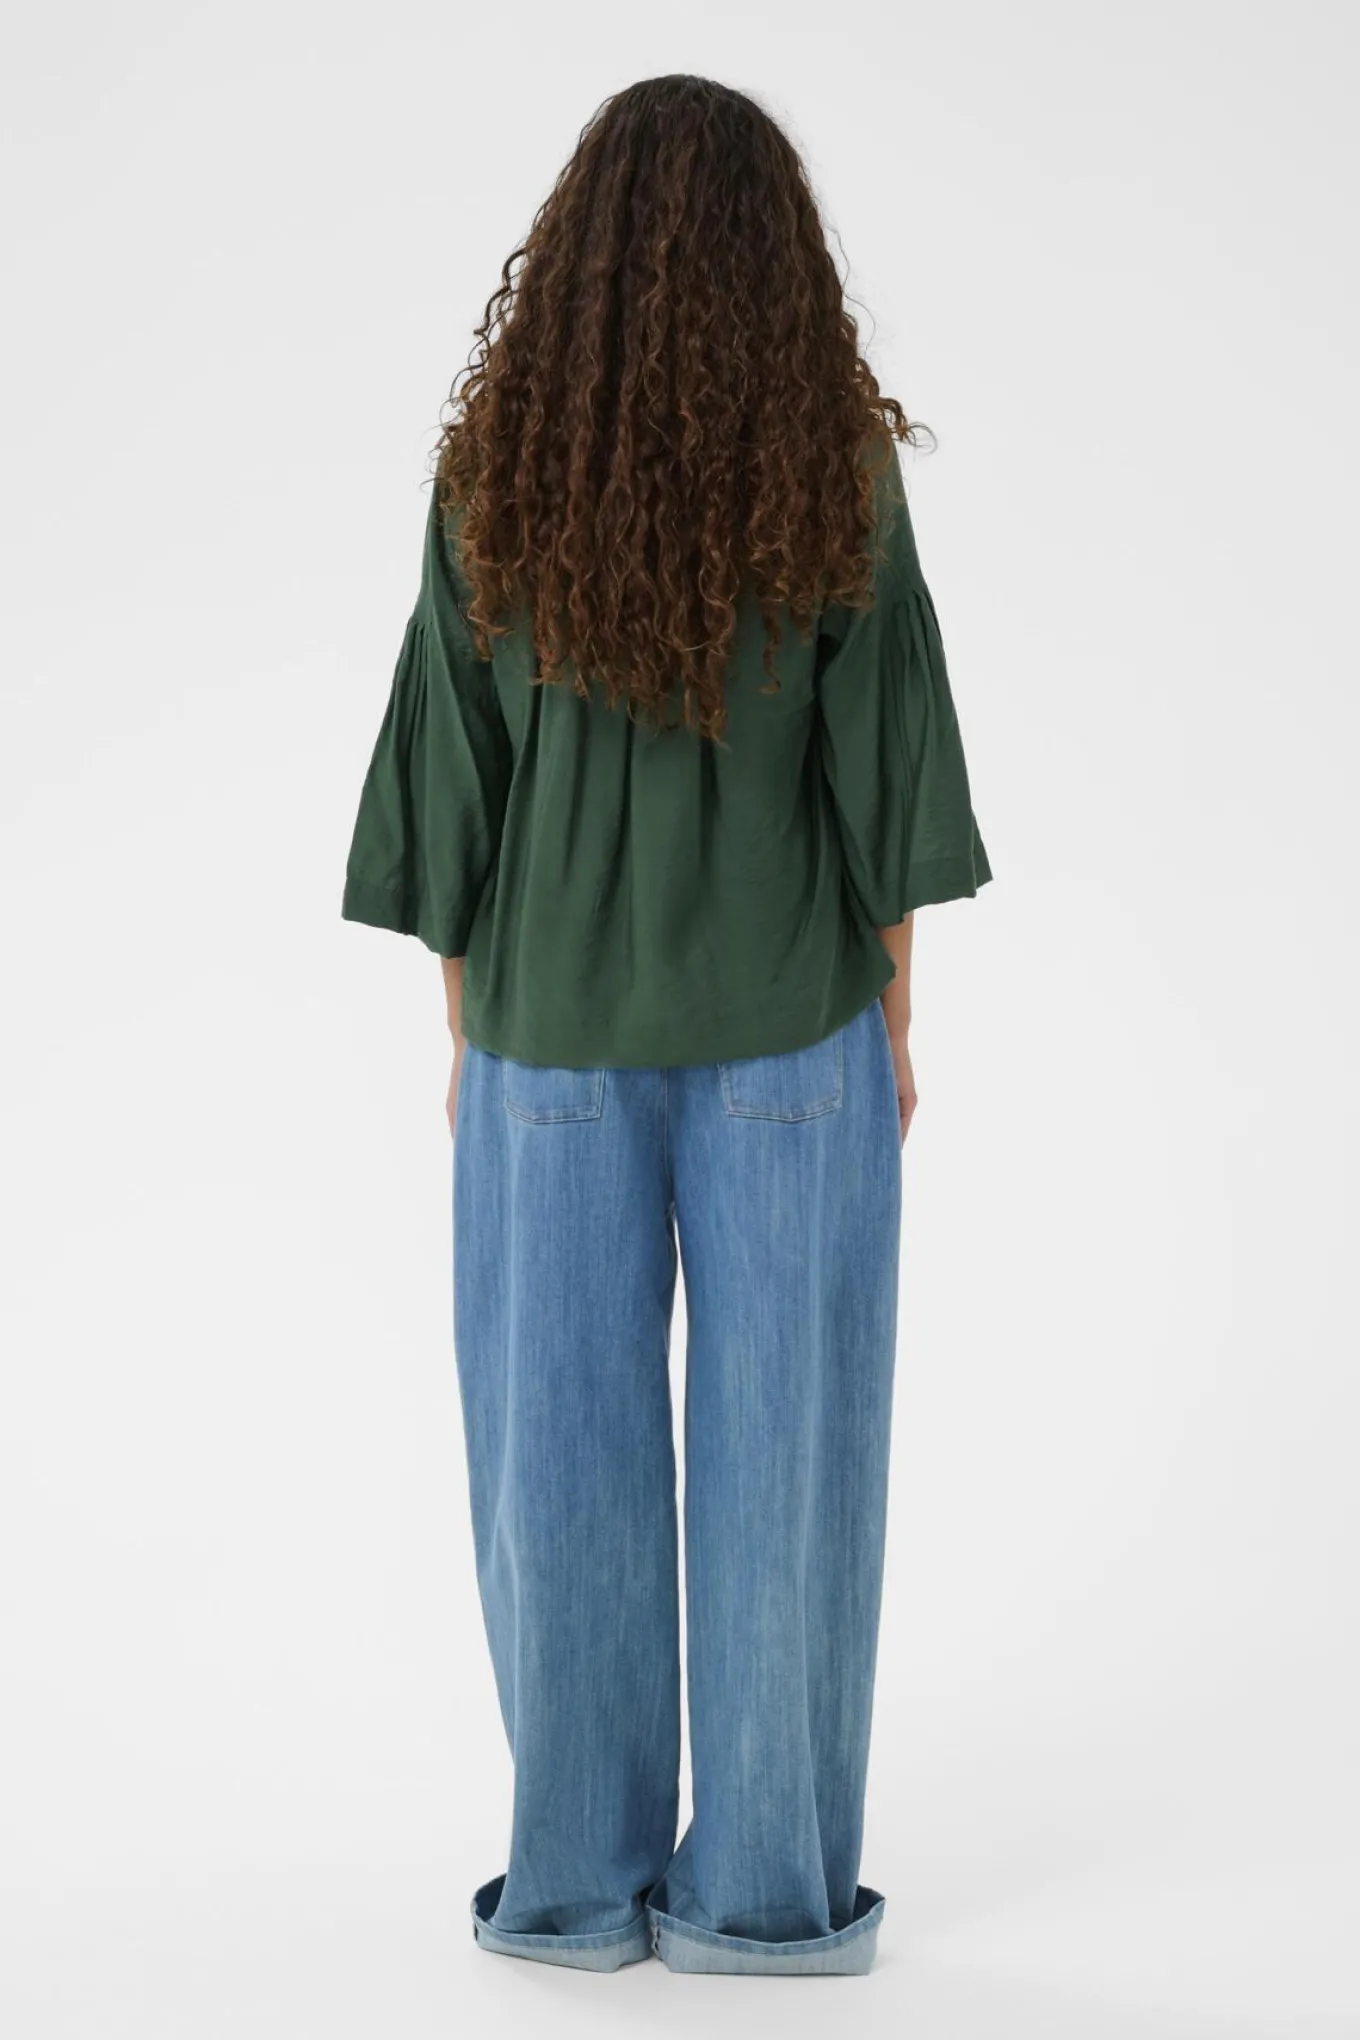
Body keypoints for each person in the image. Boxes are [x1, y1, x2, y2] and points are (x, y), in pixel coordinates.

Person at [341, 72, 990, 1978]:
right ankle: (765, 1903)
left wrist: (476, 1036)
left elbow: (447, 805)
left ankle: (570, 1887)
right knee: (793, 1471)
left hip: (545, 1039)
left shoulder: (496, 475)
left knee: (555, 1475)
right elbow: (888, 794)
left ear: (577, 253)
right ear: (780, 260)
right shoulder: (832, 473)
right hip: (794, 1032)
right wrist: (893, 1028)